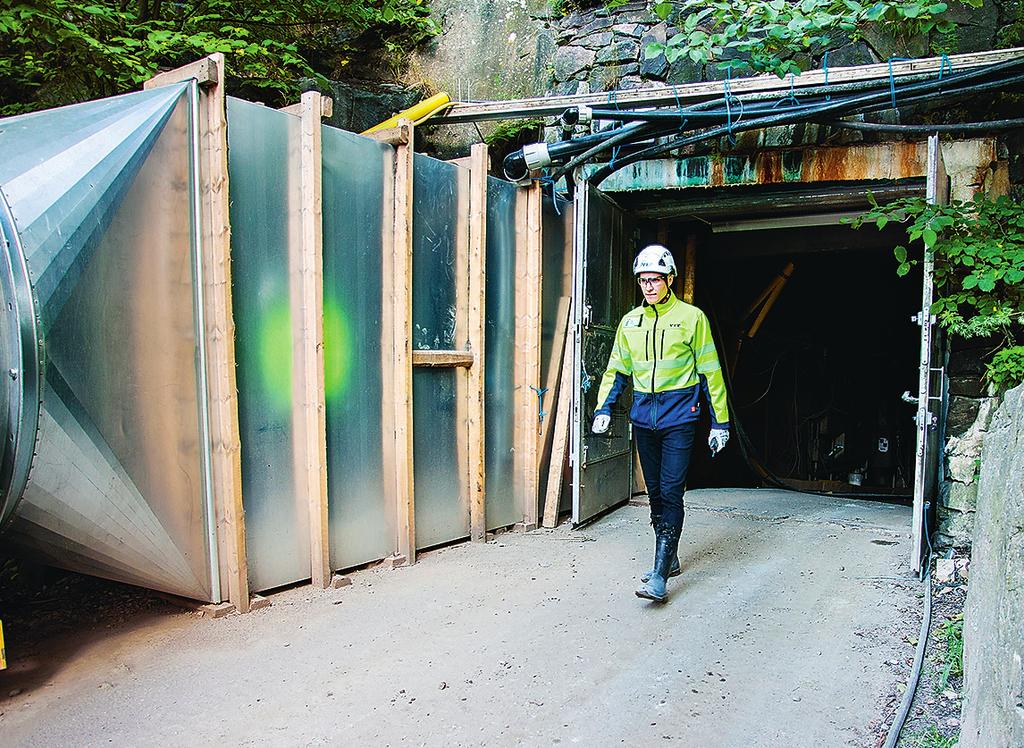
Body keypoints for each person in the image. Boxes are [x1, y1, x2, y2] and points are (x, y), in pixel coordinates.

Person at [591, 244, 730, 603]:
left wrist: (721, 423)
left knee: (671, 491)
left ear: (669, 279)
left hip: (680, 419)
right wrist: (603, 408)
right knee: (655, 494)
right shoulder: (629, 323)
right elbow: (616, 370)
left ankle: (659, 577)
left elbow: (710, 373)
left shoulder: (692, 318)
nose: (649, 287)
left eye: (655, 279)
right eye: (643, 280)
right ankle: (669, 556)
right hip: (644, 420)